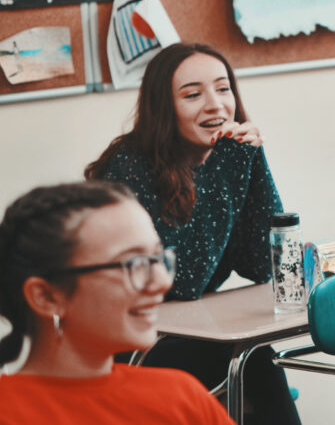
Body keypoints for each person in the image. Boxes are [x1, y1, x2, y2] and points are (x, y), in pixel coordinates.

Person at [84, 42, 299, 425]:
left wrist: (253, 159)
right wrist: (230, 164)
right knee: (250, 362)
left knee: (257, 358)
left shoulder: (226, 159)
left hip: (189, 333)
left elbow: (261, 265)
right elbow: (181, 281)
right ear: (163, 107)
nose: (215, 105)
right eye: (192, 95)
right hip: (134, 343)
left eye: (223, 88)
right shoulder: (129, 167)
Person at [0, 181, 233, 424]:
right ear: (46, 297)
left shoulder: (182, 397)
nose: (163, 282)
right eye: (134, 263)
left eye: (157, 258)